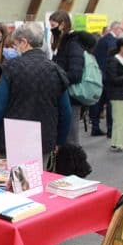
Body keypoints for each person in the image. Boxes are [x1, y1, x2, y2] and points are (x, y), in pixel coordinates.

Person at [0, 22, 72, 163]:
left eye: (16, 44)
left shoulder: (11, 68)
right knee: (36, 182)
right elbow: (66, 112)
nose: (16, 48)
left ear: (24, 42)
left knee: (7, 182)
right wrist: (59, 142)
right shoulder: (57, 71)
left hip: (11, 141)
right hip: (44, 141)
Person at [49, 10, 84, 146]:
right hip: (63, 95)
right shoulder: (61, 44)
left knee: (71, 137)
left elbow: (76, 74)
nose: (51, 29)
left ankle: (73, 166)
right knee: (64, 137)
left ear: (62, 25)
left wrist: (56, 77)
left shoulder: (73, 44)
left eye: (53, 25)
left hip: (71, 98)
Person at [90, 21, 123, 137]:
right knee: (110, 103)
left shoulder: (103, 39)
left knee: (98, 102)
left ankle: (95, 126)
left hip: (101, 75)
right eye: (121, 29)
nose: (122, 32)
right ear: (116, 29)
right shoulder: (112, 41)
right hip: (109, 77)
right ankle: (110, 130)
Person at [105, 37, 123, 152]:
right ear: (122, 47)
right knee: (119, 120)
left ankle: (120, 142)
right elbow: (114, 79)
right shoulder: (113, 60)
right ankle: (117, 143)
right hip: (117, 95)